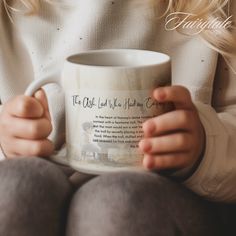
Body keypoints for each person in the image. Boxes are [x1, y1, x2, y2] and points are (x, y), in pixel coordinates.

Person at [0, 0, 235, 235]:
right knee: (13, 188)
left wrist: (205, 148)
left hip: (172, 194)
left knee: (120, 203)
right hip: (30, 178)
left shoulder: (215, 7)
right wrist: (5, 140)